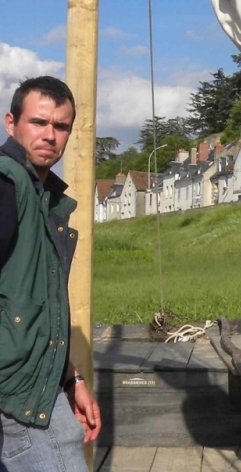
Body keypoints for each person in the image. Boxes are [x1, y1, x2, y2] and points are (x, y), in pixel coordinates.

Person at [0, 76, 101, 471]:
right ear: (12, 123)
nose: (50, 135)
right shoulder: (8, 183)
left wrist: (71, 380)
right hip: (17, 391)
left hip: (35, 380)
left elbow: (38, 307)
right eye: (38, 123)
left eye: (60, 127)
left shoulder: (44, 198)